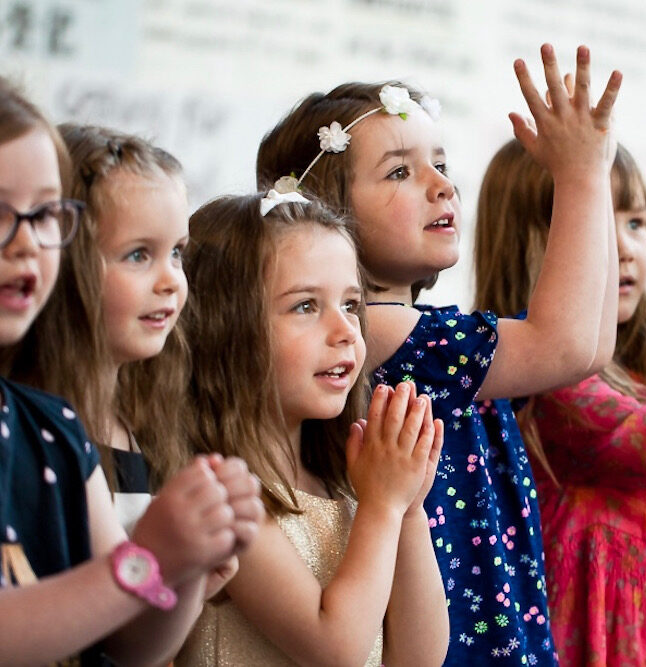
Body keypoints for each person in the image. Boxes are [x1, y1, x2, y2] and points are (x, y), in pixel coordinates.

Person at [255, 45, 621, 664]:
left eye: (441, 164)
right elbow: (566, 345)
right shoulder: (377, 330)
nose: (441, 185)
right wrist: (581, 176)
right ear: (326, 216)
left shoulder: (418, 330)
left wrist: (594, 169)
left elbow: (590, 345)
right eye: (400, 172)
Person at [0, 76, 263, 665]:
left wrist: (183, 570)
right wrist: (147, 562)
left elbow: (130, 648)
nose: (25, 242)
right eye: (138, 254)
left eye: (42, 215)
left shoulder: (52, 427)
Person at [176, 193, 448, 666]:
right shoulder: (223, 498)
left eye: (350, 304)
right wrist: (383, 508)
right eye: (305, 306)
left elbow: (419, 657)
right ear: (227, 329)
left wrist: (407, 510)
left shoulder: (345, 487)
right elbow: (335, 649)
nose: (345, 330)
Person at [474, 138, 646, 665]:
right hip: (596, 643)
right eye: (594, 224)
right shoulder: (554, 385)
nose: (626, 247)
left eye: (635, 223)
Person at [2, 123, 194, 533]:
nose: (171, 281)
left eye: (177, 252)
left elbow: (151, 595)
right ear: (68, 266)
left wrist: (197, 575)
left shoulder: (145, 423)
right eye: (139, 255)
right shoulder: (31, 430)